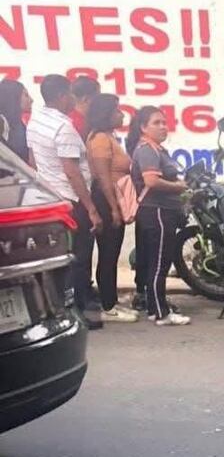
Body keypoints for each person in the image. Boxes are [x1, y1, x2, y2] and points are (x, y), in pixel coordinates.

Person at [26, 75, 102, 329]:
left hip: (50, 199)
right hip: (71, 201)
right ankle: (76, 311)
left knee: (61, 259)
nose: (74, 98)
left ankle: (60, 308)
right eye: (70, 94)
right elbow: (72, 170)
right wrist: (91, 208)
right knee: (78, 258)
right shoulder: (64, 128)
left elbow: (32, 161)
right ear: (61, 96)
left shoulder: (36, 121)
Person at [128, 106, 191, 326]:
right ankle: (161, 313)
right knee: (160, 262)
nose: (163, 127)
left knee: (157, 261)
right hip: (157, 211)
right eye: (157, 123)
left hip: (160, 211)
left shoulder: (157, 150)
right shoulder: (147, 150)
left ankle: (156, 308)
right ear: (143, 127)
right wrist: (179, 187)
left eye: (164, 122)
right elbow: (151, 181)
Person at [86, 94, 139, 323]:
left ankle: (112, 301)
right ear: (106, 113)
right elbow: (104, 177)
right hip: (105, 198)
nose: (122, 114)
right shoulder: (99, 139)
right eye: (117, 110)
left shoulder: (109, 137)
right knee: (108, 253)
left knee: (112, 252)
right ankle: (108, 306)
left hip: (111, 198)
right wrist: (114, 208)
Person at [0, 78, 33, 166]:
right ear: (14, 97)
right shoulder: (2, 123)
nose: (31, 100)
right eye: (26, 95)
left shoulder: (19, 123)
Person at [69, 75, 101, 141]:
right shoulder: (77, 125)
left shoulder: (69, 117)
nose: (100, 100)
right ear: (86, 99)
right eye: (98, 97)